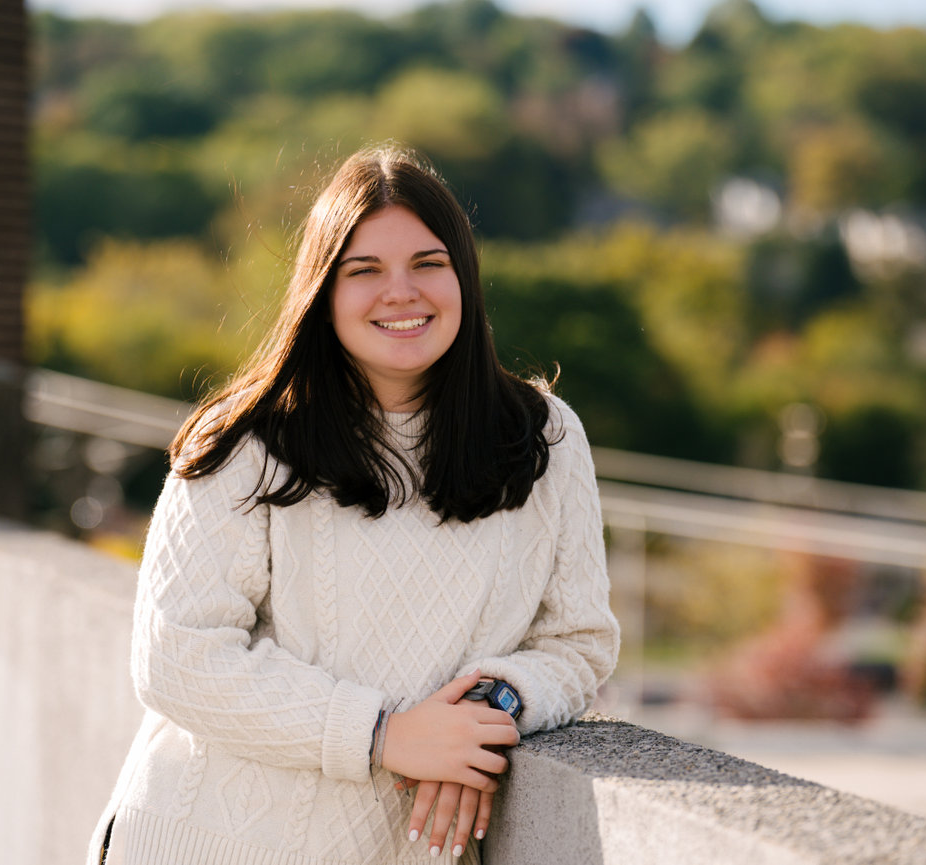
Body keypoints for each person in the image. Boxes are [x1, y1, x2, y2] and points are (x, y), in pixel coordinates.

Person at [88, 144, 619, 865]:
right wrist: (383, 733)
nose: (400, 292)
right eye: (363, 271)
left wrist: (486, 713)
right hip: (205, 842)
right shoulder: (246, 440)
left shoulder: (546, 438)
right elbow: (175, 655)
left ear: (464, 276)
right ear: (322, 292)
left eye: (427, 264)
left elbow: (580, 642)